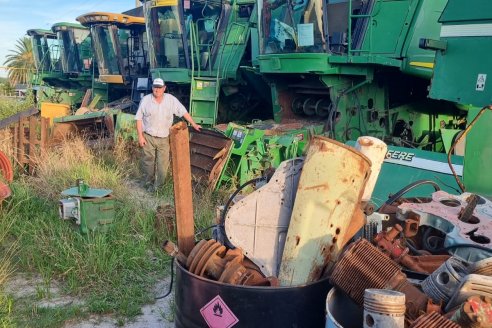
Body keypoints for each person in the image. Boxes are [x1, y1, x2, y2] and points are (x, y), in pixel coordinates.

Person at [135, 78, 201, 191]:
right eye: (155, 87)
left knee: (162, 164)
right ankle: (146, 184)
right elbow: (138, 119)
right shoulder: (146, 100)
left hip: (164, 138)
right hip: (148, 136)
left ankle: (158, 188)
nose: (157, 90)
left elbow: (183, 111)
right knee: (148, 161)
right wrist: (140, 136)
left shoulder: (171, 100)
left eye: (159, 87)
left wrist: (194, 124)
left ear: (164, 88)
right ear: (152, 88)